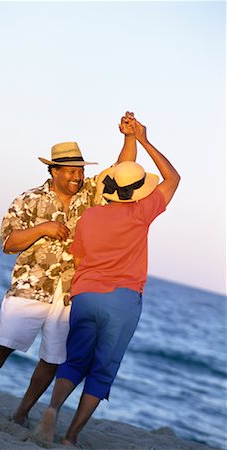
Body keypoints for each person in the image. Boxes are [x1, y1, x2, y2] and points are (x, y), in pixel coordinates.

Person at [0, 111, 137, 424]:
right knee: (3, 342)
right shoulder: (28, 199)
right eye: (70, 171)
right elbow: (8, 242)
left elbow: (123, 171)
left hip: (71, 293)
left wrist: (130, 137)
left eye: (79, 171)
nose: (77, 177)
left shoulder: (91, 194)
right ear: (54, 171)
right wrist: (42, 228)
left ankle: (22, 412)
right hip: (31, 287)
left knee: (54, 358)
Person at [38, 117, 180, 447]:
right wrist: (144, 139)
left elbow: (79, 254)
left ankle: (52, 409)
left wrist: (131, 139)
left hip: (85, 295)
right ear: (139, 190)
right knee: (102, 370)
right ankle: (71, 437)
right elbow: (174, 178)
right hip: (123, 299)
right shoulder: (142, 212)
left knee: (74, 361)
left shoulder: (90, 216)